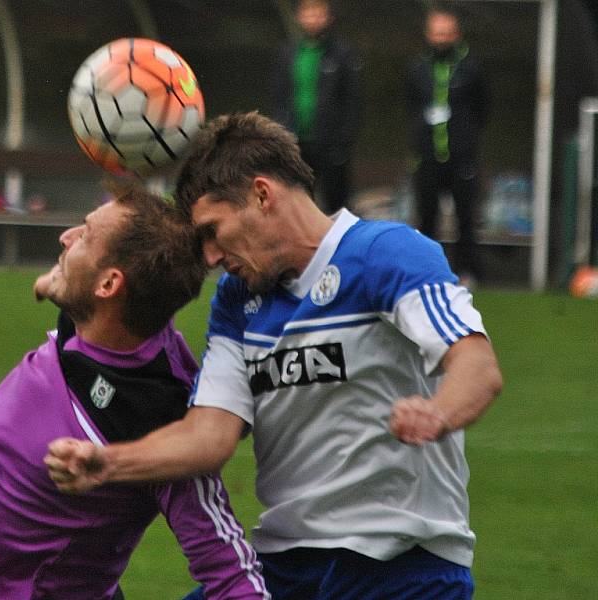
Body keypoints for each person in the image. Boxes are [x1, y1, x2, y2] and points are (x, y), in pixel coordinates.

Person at [45, 112, 503, 599]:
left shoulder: (385, 254)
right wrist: (107, 463)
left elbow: (477, 366)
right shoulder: (238, 301)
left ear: (262, 195)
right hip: (284, 570)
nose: (212, 258)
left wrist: (439, 412)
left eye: (213, 231)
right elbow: (209, 435)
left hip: (405, 569)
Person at [0, 185, 270, 600]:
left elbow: (230, 569)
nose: (66, 237)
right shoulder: (112, 316)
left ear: (108, 284)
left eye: (85, 235)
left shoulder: (160, 421)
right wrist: (56, 281)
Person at [406, 6, 490, 286]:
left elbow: (482, 109)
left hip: (461, 156)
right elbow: (409, 106)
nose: (442, 38)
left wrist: (464, 136)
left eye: (447, 33)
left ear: (456, 34)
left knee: (465, 217)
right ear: (428, 34)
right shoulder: (417, 67)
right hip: (427, 156)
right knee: (427, 216)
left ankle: (468, 272)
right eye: (437, 32)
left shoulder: (472, 67)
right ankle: (426, 271)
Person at [271, 0, 364, 215]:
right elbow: (279, 95)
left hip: (331, 145)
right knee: (298, 205)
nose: (313, 18)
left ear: (329, 17)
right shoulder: (288, 51)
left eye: (318, 13)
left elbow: (353, 100)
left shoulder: (342, 54)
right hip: (295, 142)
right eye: (308, 13)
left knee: (337, 206)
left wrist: (344, 140)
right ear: (299, 16)